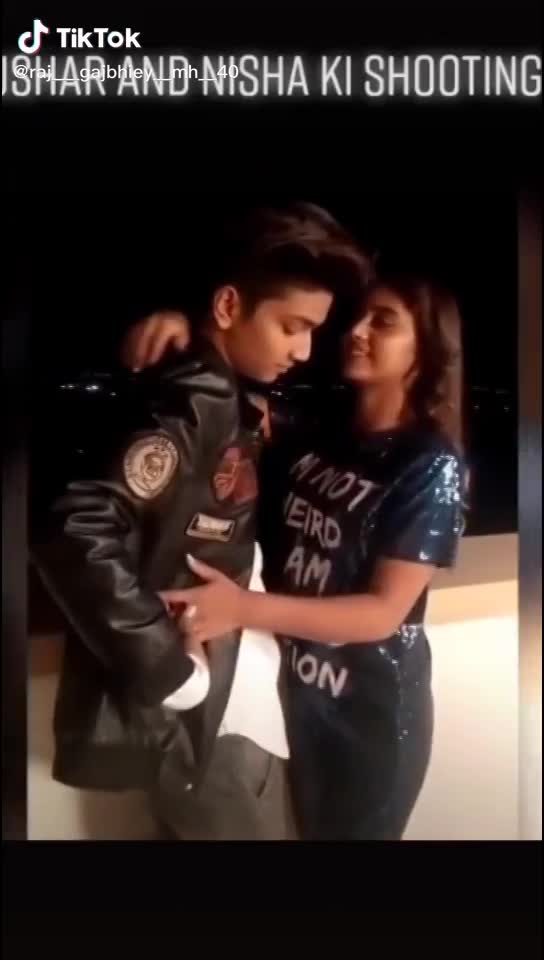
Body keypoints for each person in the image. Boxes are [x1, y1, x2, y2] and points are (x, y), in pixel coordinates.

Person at [32, 203, 367, 841]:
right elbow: (74, 526)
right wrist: (172, 671)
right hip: (212, 720)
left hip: (224, 705)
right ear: (230, 306)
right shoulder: (200, 394)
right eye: (292, 327)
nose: (304, 351)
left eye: (313, 332)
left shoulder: (227, 389)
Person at [123, 269, 468, 841]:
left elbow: (382, 613)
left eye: (383, 322)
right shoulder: (321, 434)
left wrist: (241, 609)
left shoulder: (429, 463)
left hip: (365, 717)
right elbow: (227, 389)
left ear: (426, 350)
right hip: (295, 698)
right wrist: (187, 326)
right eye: (358, 318)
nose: (356, 331)